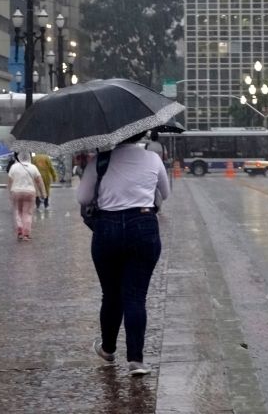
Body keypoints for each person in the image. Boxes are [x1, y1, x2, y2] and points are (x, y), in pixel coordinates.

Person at [77, 131, 170, 377]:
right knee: (136, 296)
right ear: (142, 132)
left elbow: (83, 197)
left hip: (106, 229)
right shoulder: (152, 158)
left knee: (111, 294)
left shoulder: (100, 161)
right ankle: (136, 360)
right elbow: (165, 193)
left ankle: (108, 348)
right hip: (143, 225)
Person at [7, 152, 46, 241]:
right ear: (29, 157)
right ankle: (26, 234)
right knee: (28, 213)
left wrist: (9, 193)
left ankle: (19, 230)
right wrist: (43, 193)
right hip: (30, 192)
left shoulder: (14, 167)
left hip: (16, 192)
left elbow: (9, 181)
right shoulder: (33, 167)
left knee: (18, 212)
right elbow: (39, 181)